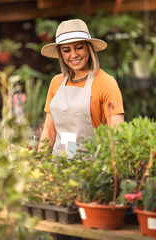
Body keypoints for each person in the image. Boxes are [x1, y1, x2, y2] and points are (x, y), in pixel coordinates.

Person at [38, 19, 124, 240]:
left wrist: (105, 180)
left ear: (89, 48)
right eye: (66, 50)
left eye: (79, 47)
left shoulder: (106, 83)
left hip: (92, 177)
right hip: (60, 175)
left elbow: (117, 136)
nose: (73, 54)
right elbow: (49, 133)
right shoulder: (56, 83)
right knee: (62, 234)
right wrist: (37, 169)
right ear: (60, 54)